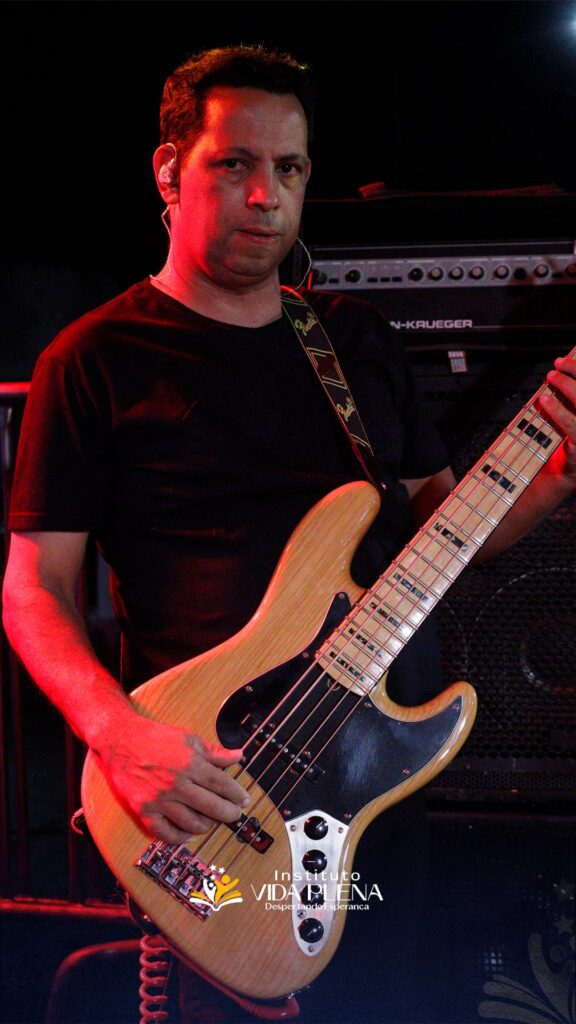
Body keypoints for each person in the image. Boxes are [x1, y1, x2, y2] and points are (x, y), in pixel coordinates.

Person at [3, 45, 576, 1023]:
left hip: (374, 789)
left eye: (291, 168)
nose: (266, 196)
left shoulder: (353, 343)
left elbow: (445, 538)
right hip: (210, 799)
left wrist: (556, 470)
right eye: (235, 164)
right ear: (170, 169)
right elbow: (33, 589)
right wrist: (118, 734)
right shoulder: (93, 360)